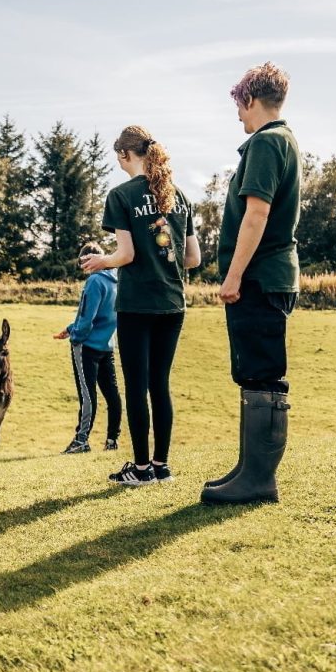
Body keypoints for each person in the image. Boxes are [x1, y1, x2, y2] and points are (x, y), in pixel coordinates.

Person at [201, 63, 300, 505]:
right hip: (270, 274)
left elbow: (256, 214)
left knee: (262, 372)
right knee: (255, 371)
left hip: (259, 276)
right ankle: (249, 469)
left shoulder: (265, 142)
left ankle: (259, 481)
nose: (238, 115)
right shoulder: (283, 140)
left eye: (238, 106)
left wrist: (234, 274)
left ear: (250, 99)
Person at [81, 126, 201, 486]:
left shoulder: (121, 195)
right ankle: (161, 466)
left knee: (136, 386)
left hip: (136, 304)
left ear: (124, 156)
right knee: (159, 385)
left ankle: (140, 467)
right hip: (173, 303)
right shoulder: (179, 196)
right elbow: (193, 258)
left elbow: (127, 254)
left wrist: (102, 262)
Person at [53, 241, 122, 454]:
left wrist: (75, 337)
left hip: (87, 347)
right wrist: (68, 327)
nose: (83, 268)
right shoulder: (116, 281)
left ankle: (81, 440)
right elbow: (103, 316)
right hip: (106, 346)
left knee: (87, 394)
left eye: (83, 263)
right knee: (112, 395)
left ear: (88, 260)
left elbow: (87, 318)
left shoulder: (94, 282)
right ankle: (112, 440)